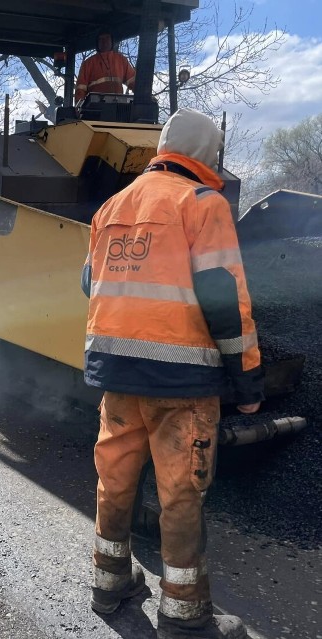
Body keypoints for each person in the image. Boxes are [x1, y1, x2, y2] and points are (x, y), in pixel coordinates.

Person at [81, 108, 263, 639]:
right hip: (181, 385)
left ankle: (109, 584)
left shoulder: (112, 206)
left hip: (116, 374)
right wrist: (247, 382)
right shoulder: (204, 204)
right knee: (180, 494)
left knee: (114, 480)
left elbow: (90, 282)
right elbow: (224, 299)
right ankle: (184, 617)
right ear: (209, 156)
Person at [75, 32, 136, 103]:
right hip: (95, 107)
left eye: (107, 38)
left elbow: (133, 82)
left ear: (112, 41)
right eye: (101, 39)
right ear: (97, 43)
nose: (104, 42)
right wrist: (78, 108)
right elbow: (80, 89)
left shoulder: (121, 60)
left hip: (117, 106)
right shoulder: (88, 63)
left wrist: (143, 96)